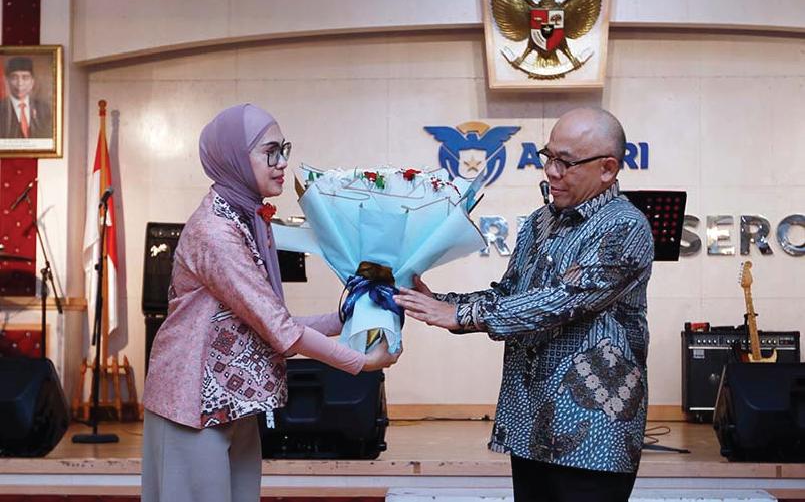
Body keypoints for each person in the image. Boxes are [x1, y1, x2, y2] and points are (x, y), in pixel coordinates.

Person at [141, 104, 400, 502]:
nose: (282, 163)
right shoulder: (216, 231)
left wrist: (349, 314)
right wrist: (361, 362)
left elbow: (269, 321)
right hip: (193, 405)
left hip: (233, 402)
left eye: (284, 150)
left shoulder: (245, 218)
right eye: (270, 152)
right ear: (233, 157)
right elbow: (281, 331)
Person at [395, 107, 654, 502]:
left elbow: (563, 301)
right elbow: (511, 295)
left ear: (607, 169)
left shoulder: (625, 225)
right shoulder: (539, 221)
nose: (551, 172)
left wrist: (461, 315)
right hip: (530, 420)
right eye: (548, 157)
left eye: (565, 162)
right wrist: (438, 302)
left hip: (593, 427)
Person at [0, 57, 52, 138]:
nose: (20, 83)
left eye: (25, 78)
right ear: (7, 81)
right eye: (14, 78)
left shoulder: (44, 109)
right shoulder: (1, 107)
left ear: (32, 82)